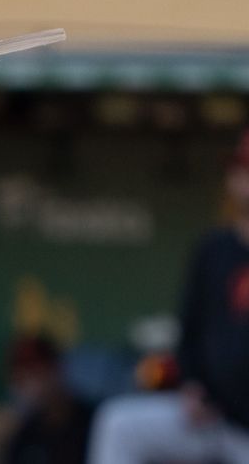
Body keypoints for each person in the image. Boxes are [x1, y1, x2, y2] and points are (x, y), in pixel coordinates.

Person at [86, 129, 249, 464]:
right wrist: (192, 386)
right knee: (118, 425)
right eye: (240, 168)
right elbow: (189, 332)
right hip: (210, 417)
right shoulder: (213, 249)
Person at [4, 335, 92, 464]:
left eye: (34, 370)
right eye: (21, 374)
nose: (28, 381)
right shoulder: (24, 435)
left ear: (55, 369)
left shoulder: (92, 422)